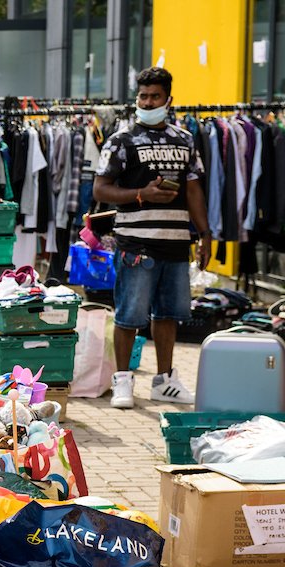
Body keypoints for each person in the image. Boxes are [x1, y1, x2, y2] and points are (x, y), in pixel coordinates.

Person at [94, 67, 210, 409]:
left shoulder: (184, 139)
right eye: (143, 96)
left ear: (168, 100)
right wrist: (141, 194)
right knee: (129, 314)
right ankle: (123, 381)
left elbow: (193, 191)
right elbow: (102, 188)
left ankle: (165, 380)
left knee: (168, 314)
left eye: (154, 96)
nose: (147, 102)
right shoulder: (121, 140)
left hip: (176, 241)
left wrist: (204, 234)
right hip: (135, 242)